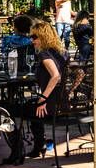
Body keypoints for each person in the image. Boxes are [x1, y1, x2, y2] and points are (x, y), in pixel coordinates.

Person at [25, 19, 68, 157]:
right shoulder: (62, 52)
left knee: (22, 108)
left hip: (51, 104)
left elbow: (55, 76)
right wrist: (68, 93)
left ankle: (38, 145)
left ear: (43, 36)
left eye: (34, 37)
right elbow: (80, 72)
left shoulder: (43, 54)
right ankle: (41, 143)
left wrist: (43, 99)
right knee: (31, 105)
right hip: (64, 104)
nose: (32, 40)